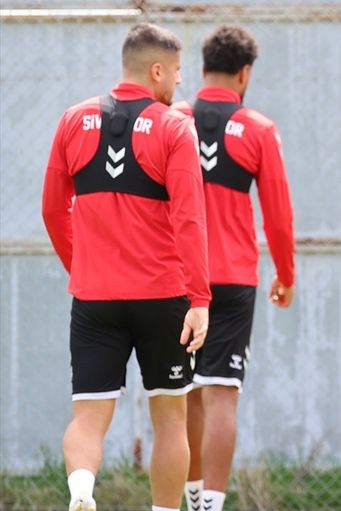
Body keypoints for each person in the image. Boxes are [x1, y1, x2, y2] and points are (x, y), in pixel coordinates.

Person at [42, 23, 211, 511]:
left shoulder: (72, 120)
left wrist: (82, 268)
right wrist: (200, 298)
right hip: (163, 297)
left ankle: (81, 492)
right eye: (176, 71)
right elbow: (189, 219)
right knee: (171, 421)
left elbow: (52, 210)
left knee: (87, 419)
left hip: (94, 299)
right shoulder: (175, 126)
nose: (179, 81)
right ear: (157, 70)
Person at [171, 24, 297, 511]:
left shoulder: (171, 119)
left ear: (201, 69)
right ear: (245, 74)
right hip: (233, 277)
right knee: (222, 394)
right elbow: (279, 215)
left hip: (178, 278)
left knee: (184, 394)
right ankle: (212, 504)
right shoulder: (259, 128)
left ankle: (189, 497)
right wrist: (286, 274)